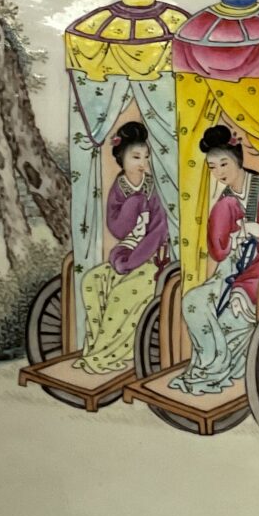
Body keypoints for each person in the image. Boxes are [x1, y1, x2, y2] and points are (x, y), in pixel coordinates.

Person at [173, 124, 259, 396]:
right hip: (229, 269)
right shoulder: (226, 200)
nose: (219, 172)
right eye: (212, 167)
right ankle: (208, 366)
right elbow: (218, 251)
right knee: (193, 301)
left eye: (224, 163)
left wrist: (245, 288)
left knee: (231, 317)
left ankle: (218, 372)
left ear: (237, 159)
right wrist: (230, 232)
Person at [78, 120, 167, 374]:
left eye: (146, 157)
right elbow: (117, 228)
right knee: (92, 281)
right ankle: (96, 349)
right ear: (122, 158)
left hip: (153, 258)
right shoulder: (119, 189)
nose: (142, 163)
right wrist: (134, 203)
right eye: (135, 157)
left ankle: (106, 356)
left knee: (121, 294)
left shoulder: (154, 188)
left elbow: (158, 231)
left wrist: (134, 260)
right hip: (126, 253)